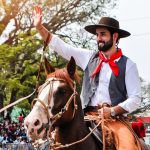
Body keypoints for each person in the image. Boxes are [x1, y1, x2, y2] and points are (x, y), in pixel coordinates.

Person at [33, 5, 142, 150]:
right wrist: (40, 28)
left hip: (114, 119)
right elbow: (63, 47)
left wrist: (113, 110)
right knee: (52, 142)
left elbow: (136, 99)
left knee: (128, 146)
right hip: (84, 116)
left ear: (115, 36)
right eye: (97, 35)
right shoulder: (89, 57)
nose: (99, 38)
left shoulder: (129, 65)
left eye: (103, 34)